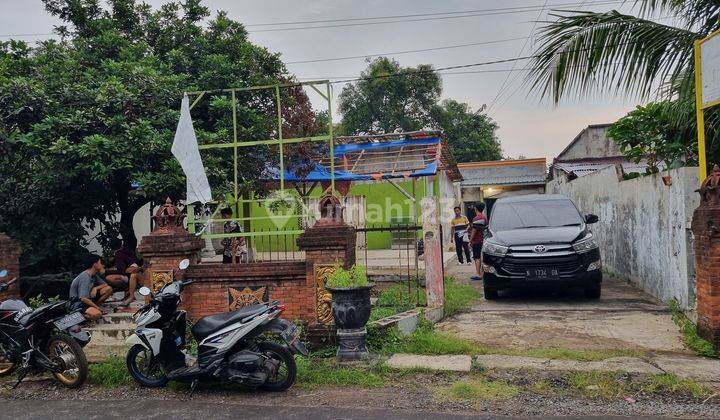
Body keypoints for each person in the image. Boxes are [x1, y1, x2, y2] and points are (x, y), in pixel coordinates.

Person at [69, 254, 113, 321]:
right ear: (95, 265)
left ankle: (93, 308)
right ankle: (75, 318)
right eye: (100, 263)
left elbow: (105, 285)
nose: (102, 265)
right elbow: (83, 298)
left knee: (108, 289)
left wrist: (95, 288)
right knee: (97, 314)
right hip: (78, 304)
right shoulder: (85, 276)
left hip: (88, 300)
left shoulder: (93, 275)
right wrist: (97, 308)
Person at [104, 238, 144, 306]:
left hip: (134, 275)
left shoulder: (120, 254)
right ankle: (128, 291)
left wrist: (106, 271)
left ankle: (130, 294)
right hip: (134, 274)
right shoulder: (123, 252)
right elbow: (113, 262)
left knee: (109, 278)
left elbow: (121, 270)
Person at [469, 203, 488, 281]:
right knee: (481, 257)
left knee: (477, 257)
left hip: (477, 240)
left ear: (476, 208)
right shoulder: (484, 217)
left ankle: (478, 274)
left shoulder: (477, 218)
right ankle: (481, 273)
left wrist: (470, 241)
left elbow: (474, 230)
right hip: (483, 239)